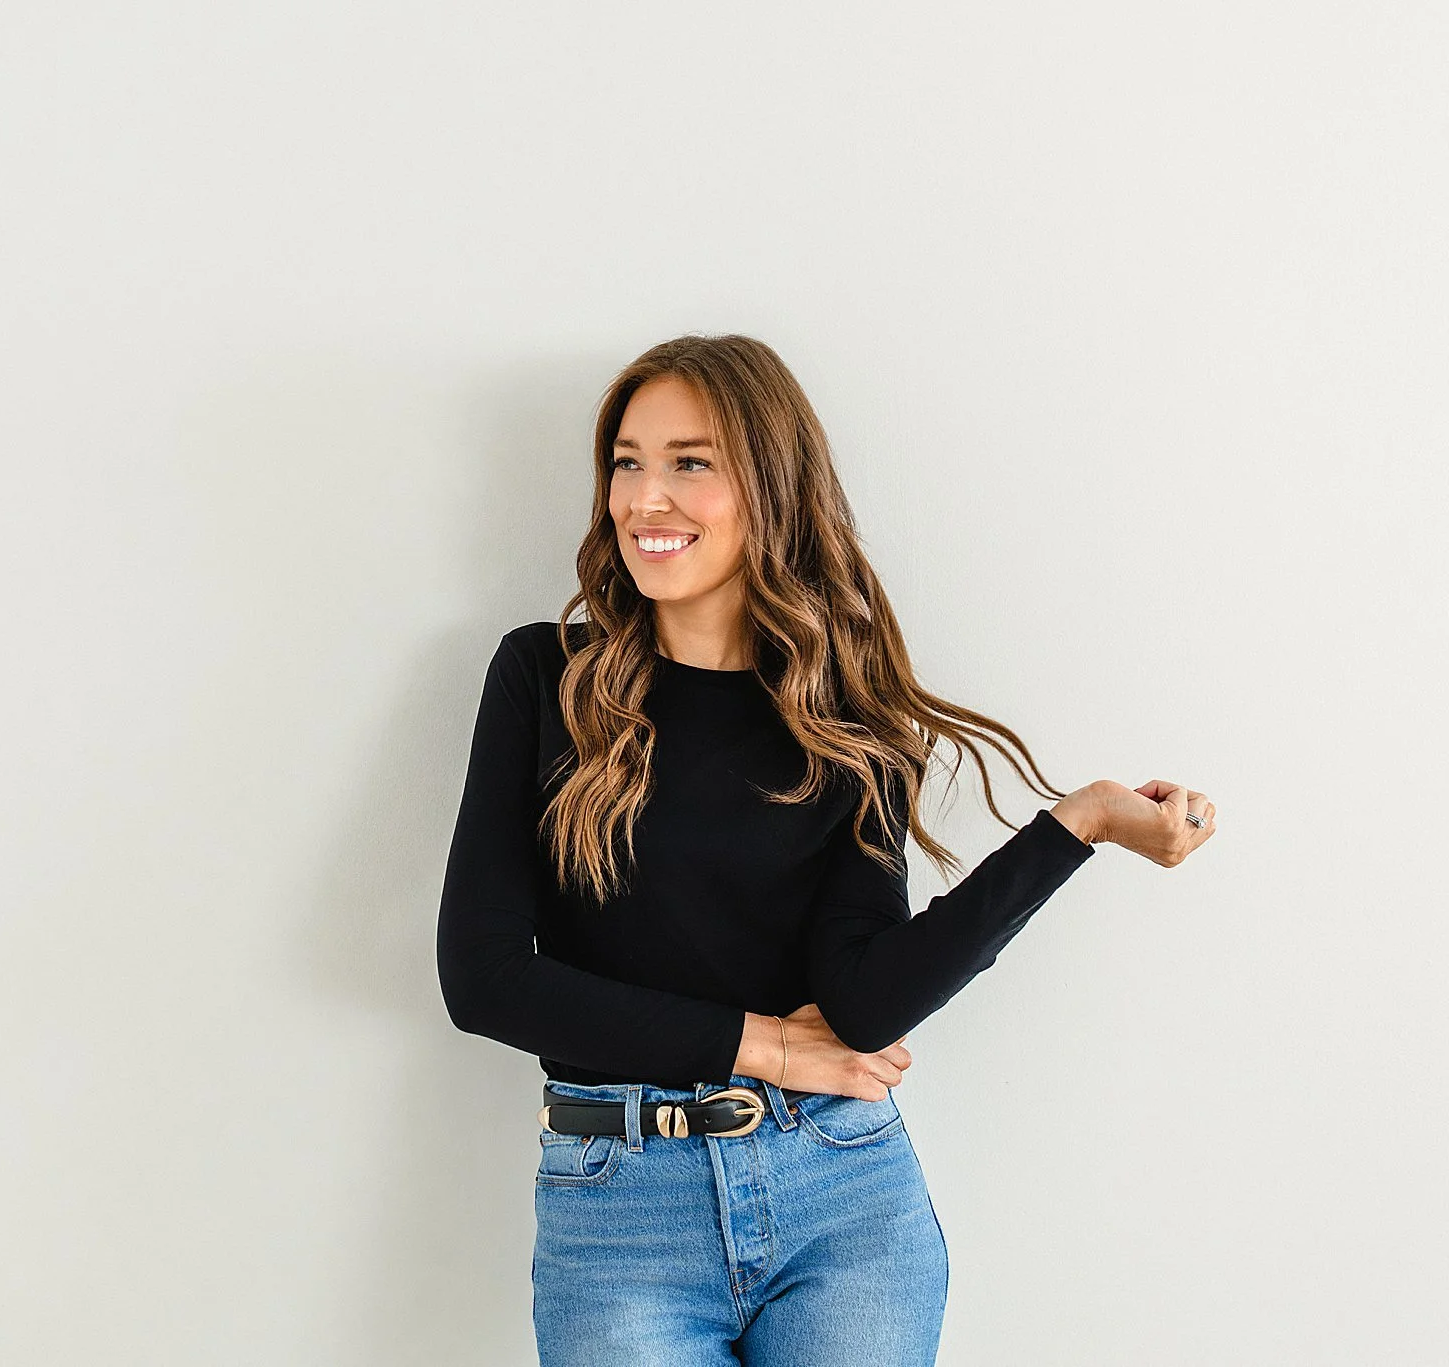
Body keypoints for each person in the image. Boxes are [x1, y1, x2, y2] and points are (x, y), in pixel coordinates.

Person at [434, 334, 1217, 1366]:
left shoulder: (844, 719)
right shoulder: (545, 676)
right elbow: (482, 979)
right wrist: (763, 1044)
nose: (643, 498)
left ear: (769, 486)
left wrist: (1077, 824)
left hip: (842, 1202)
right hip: (619, 1210)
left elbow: (862, 1004)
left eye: (689, 461)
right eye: (626, 461)